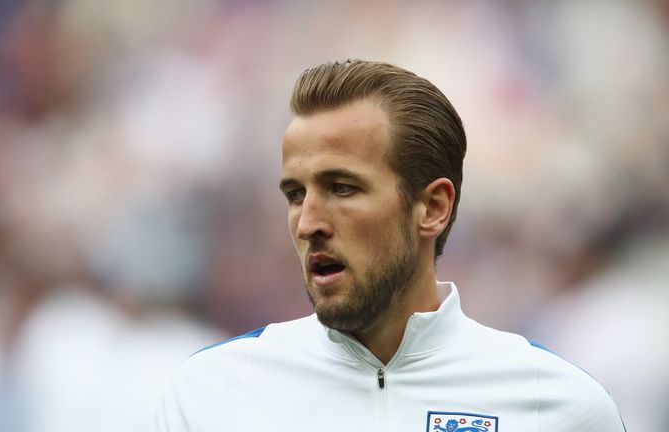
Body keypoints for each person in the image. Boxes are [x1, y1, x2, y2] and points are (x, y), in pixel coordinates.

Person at [155, 60, 626, 431]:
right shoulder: (210, 392)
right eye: (296, 194)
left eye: (342, 188)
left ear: (433, 208)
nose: (307, 223)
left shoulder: (558, 403)